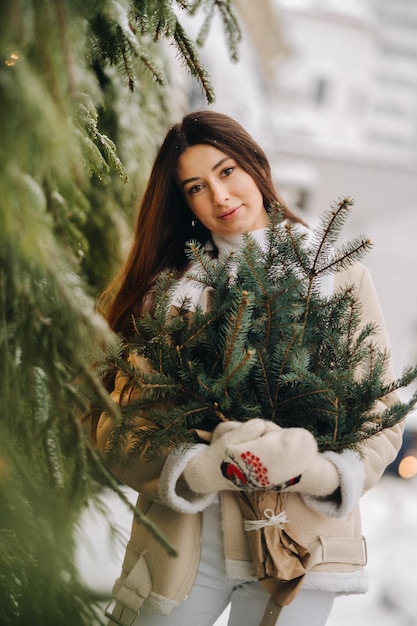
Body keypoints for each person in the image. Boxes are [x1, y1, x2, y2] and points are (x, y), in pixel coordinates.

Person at [93, 110, 404, 626]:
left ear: (256, 166)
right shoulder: (170, 298)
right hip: (189, 542)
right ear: (184, 203)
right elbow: (120, 430)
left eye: (227, 170)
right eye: (195, 186)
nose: (219, 195)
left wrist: (321, 473)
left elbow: (378, 413)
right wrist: (197, 468)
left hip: (299, 546)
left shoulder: (335, 279)